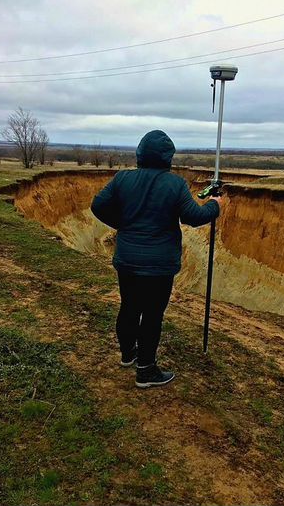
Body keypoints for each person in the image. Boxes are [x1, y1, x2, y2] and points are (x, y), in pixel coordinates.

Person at [91, 130, 221, 389]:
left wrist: (123, 225)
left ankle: (128, 354)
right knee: (152, 315)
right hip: (159, 265)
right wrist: (215, 205)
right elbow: (193, 216)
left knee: (129, 307)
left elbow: (98, 205)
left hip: (127, 259)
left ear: (140, 154)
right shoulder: (174, 184)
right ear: (167, 157)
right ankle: (146, 371)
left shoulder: (122, 179)